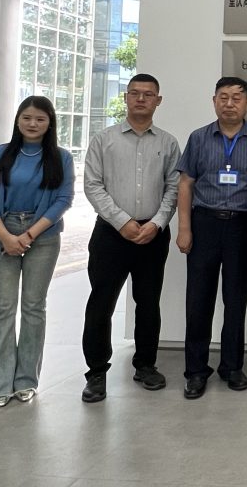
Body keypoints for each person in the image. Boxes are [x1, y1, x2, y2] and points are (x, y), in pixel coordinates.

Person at [81, 74, 181, 403]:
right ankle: (96, 372)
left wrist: (157, 223)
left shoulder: (167, 143)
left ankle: (145, 366)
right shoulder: (104, 139)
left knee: (148, 303)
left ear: (158, 101)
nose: (141, 99)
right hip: (111, 234)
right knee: (101, 303)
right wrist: (122, 221)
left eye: (148, 94)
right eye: (135, 93)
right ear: (126, 97)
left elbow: (173, 187)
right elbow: (93, 185)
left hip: (152, 234)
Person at [176, 77, 247, 399]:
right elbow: (186, 183)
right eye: (223, 97)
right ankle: (196, 371)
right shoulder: (199, 138)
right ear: (214, 100)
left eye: (236, 98)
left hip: (242, 226)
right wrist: (185, 228)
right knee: (198, 300)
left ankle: (232, 367)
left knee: (235, 300)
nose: (229, 104)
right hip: (204, 224)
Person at [0, 96, 74, 407]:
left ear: (50, 124)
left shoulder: (61, 157)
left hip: (42, 236)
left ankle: (26, 382)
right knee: (3, 309)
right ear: (18, 120)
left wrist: (29, 234)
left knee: (33, 308)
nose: (33, 124)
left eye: (40, 119)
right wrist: (5, 235)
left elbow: (63, 200)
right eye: (27, 118)